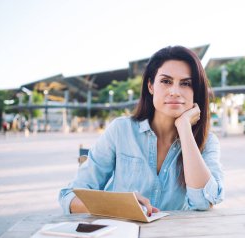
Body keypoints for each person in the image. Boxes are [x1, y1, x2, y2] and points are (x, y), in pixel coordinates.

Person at [59, 46, 224, 216]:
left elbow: (204, 202)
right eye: (166, 81)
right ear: (151, 86)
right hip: (122, 237)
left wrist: (184, 128)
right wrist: (121, 205)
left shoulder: (207, 142)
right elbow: (69, 197)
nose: (175, 91)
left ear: (196, 91)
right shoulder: (121, 130)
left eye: (186, 83)